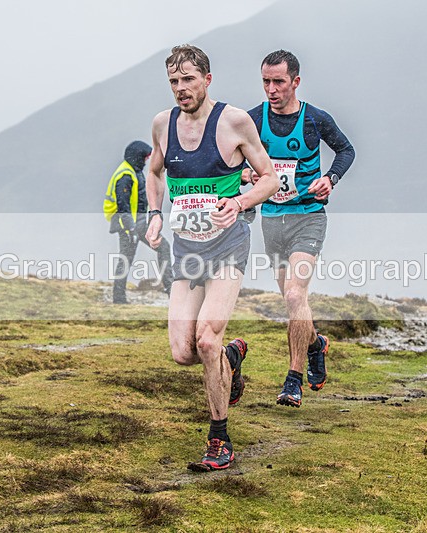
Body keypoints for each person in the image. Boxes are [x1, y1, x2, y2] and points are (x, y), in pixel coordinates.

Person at [145, 45, 278, 471]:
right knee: (183, 352)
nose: (181, 89)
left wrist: (238, 203)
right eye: (173, 82)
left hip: (227, 246)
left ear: (207, 79)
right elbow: (153, 171)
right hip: (186, 249)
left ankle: (219, 438)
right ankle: (232, 358)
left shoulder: (234, 122)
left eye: (188, 80)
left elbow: (271, 179)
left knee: (206, 340)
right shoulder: (162, 125)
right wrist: (153, 215)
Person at [243, 50, 356, 408]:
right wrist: (244, 175)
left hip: (308, 216)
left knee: (295, 295)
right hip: (272, 220)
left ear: (295, 81)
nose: (271, 89)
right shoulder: (251, 119)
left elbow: (346, 149)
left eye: (278, 81)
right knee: (292, 299)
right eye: (265, 81)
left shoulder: (314, 120)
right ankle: (315, 343)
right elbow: (231, 160)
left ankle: (293, 380)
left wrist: (330, 178)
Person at [107, 140, 173, 304]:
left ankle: (171, 290)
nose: (146, 161)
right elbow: (123, 206)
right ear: (137, 157)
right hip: (128, 225)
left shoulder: (134, 171)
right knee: (126, 258)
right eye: (144, 158)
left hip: (139, 223)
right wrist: (130, 230)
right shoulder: (125, 175)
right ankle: (119, 297)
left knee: (162, 247)